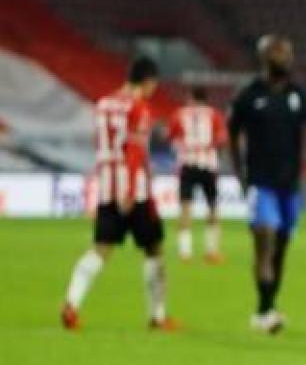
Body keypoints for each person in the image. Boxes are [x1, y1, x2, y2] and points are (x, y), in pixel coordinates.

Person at [227, 35, 306, 334]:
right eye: (279, 53)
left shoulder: (299, 96)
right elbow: (232, 136)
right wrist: (239, 174)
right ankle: (264, 311)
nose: (286, 57)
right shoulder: (247, 95)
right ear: (264, 57)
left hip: (289, 186)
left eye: (288, 53)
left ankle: (268, 305)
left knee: (280, 248)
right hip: (261, 183)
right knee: (265, 241)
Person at [60, 55, 173, 332]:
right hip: (133, 189)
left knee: (101, 248)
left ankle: (71, 303)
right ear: (148, 81)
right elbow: (134, 151)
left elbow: (99, 142)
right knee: (153, 249)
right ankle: (157, 316)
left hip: (107, 184)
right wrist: (132, 190)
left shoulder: (103, 104)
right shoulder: (139, 107)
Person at [169, 85, 226, 264]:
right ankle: (212, 252)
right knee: (213, 207)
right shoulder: (214, 115)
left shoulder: (179, 114)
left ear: (191, 97)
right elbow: (222, 139)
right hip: (208, 164)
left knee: (185, 208)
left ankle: (185, 253)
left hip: (187, 164)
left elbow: (172, 138)